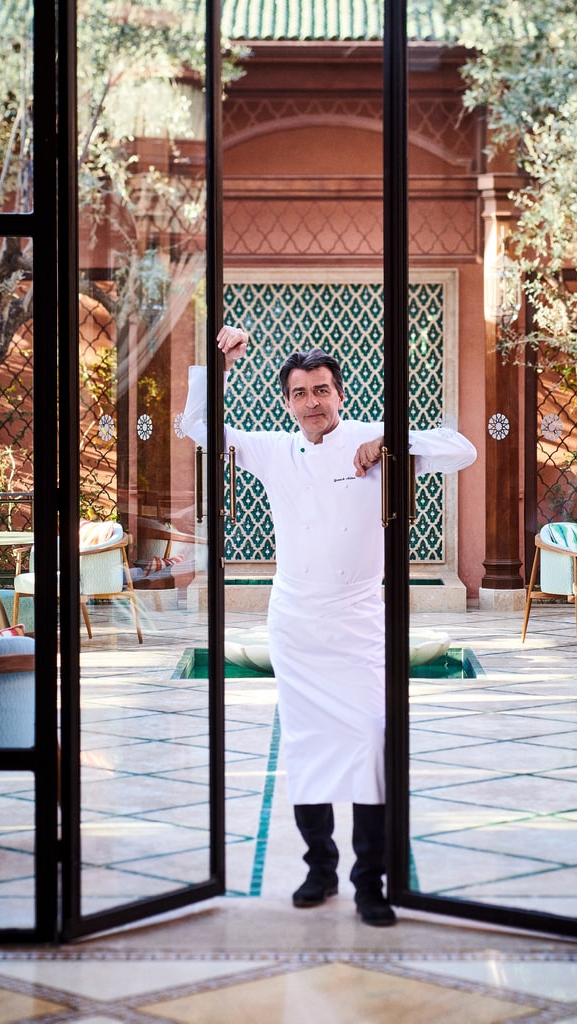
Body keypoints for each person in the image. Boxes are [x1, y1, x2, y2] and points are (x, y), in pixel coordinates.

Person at [182, 324, 477, 927]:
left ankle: (371, 881)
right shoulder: (273, 451)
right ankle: (320, 869)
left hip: (361, 621)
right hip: (295, 621)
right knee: (307, 747)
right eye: (299, 393)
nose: (312, 402)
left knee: (372, 740)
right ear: (286, 402)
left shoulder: (373, 438)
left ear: (340, 393)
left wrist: (392, 441)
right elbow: (198, 429)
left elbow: (463, 450)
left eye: (321, 389)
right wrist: (221, 367)